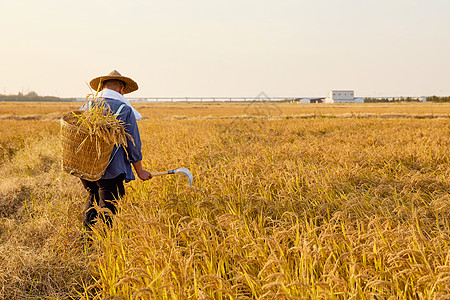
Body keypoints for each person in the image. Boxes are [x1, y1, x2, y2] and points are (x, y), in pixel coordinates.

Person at [80, 70, 151, 229]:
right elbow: (133, 145)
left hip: (86, 166)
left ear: (102, 87)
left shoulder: (88, 105)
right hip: (111, 168)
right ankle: (104, 242)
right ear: (121, 90)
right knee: (109, 204)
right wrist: (140, 171)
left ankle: (87, 240)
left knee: (93, 196)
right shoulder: (124, 109)